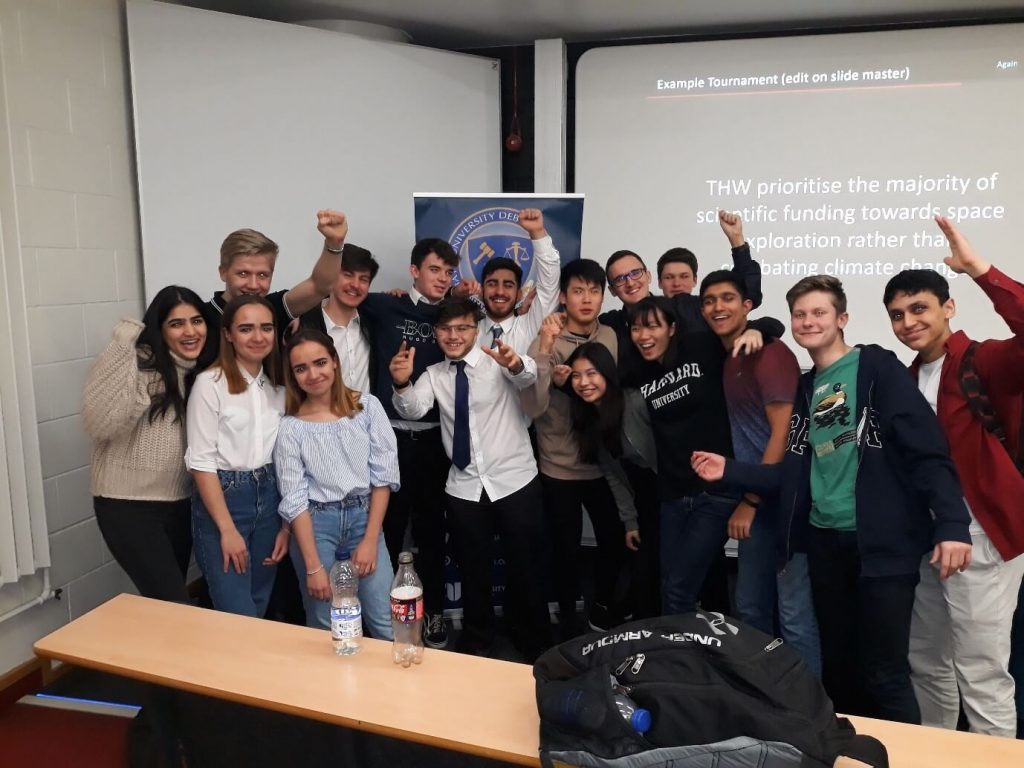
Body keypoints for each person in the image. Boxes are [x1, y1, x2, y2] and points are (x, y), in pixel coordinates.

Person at [692, 274, 972, 724]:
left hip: (881, 547)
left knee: (885, 672)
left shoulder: (876, 369)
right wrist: (732, 471)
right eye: (799, 314)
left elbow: (928, 451)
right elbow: (798, 472)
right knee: (840, 668)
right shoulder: (807, 389)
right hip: (825, 543)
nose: (808, 321)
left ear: (841, 319)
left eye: (819, 312)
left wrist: (953, 524)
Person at [883, 216, 1024, 738]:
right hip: (930, 541)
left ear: (948, 307)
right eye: (897, 315)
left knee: (983, 675)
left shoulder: (982, 360)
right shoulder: (904, 377)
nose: (907, 322)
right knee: (928, 663)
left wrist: (979, 270)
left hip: (983, 537)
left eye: (918, 308)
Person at [391, 297, 552, 660]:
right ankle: (478, 640)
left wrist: (515, 363)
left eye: (462, 327)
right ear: (436, 333)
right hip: (464, 486)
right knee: (473, 569)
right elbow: (414, 409)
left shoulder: (498, 360)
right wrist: (401, 385)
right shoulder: (434, 374)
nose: (453, 335)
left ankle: (534, 641)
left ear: (476, 329)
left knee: (525, 565)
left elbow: (526, 374)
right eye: (445, 329)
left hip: (514, 479)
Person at [699, 270, 821, 673]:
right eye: (710, 300)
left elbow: (784, 434)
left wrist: (750, 501)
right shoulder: (733, 355)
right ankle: (764, 697)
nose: (718, 307)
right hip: (756, 495)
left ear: (747, 305)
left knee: (794, 616)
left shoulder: (769, 355)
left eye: (728, 298)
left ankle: (807, 712)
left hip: (784, 502)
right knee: (751, 608)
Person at [358, 237, 461, 649]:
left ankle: (433, 613)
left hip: (437, 440)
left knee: (433, 533)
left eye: (449, 272)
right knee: (385, 531)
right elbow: (337, 297)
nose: (442, 279)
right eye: (435, 269)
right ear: (415, 270)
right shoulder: (385, 305)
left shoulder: (454, 316)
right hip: (387, 438)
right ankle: (382, 619)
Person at [84, 286, 215, 603]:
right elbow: (100, 423)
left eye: (196, 321)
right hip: (128, 506)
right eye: (176, 323)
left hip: (180, 504)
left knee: (165, 605)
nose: (190, 331)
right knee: (173, 602)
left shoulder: (199, 372)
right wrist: (121, 346)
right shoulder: (139, 364)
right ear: (160, 330)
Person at [521, 259, 627, 636]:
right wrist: (549, 364)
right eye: (578, 291)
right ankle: (566, 620)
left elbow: (610, 398)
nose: (587, 299)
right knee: (563, 550)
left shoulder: (610, 336)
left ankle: (601, 608)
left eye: (594, 291)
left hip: (602, 465)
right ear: (563, 296)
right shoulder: (547, 338)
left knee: (615, 541)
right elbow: (532, 407)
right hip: (558, 467)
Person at [274, 329, 399, 636]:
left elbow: (382, 477)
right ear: (292, 375)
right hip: (316, 526)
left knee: (385, 619)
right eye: (301, 369)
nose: (313, 374)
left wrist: (370, 540)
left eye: (320, 363)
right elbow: (294, 499)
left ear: (334, 362)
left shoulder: (366, 407)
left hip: (363, 518)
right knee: (326, 625)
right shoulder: (291, 428)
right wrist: (313, 566)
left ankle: (392, 685)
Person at [627, 296, 745, 617]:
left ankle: (680, 662)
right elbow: (595, 379)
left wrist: (762, 328)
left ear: (673, 328)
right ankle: (688, 655)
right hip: (673, 495)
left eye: (652, 326)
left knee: (679, 588)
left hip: (715, 492)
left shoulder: (701, 347)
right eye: (636, 329)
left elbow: (752, 324)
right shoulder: (640, 370)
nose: (643, 336)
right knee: (671, 584)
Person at [186, 295, 290, 617]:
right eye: (246, 329)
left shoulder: (279, 387)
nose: (258, 337)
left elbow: (288, 458)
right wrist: (227, 530)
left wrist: (285, 526)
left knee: (258, 605)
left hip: (270, 498)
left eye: (266, 328)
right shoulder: (210, 384)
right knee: (236, 612)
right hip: (227, 500)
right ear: (228, 334)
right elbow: (201, 463)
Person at [564, 342, 661, 619]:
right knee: (643, 569)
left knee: (656, 572)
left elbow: (665, 453)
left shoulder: (634, 402)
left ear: (607, 373)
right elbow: (613, 475)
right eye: (576, 375)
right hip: (641, 498)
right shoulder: (589, 417)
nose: (583, 382)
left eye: (591, 373)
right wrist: (630, 521)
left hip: (668, 495)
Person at [205, 210, 352, 353]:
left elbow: (320, 286)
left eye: (263, 275)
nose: (253, 285)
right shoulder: (200, 318)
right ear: (223, 272)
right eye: (243, 274)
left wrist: (334, 243)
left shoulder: (273, 309)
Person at [295, 244, 379, 394]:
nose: (355, 285)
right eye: (347, 274)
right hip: (319, 415)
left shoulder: (374, 324)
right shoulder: (303, 324)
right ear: (331, 277)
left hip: (366, 415)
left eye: (363, 279)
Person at [478, 208, 562, 353]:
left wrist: (537, 232)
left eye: (508, 285)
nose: (499, 291)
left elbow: (549, 283)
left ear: (519, 294)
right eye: (492, 284)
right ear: (481, 291)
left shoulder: (531, 325)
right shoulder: (466, 329)